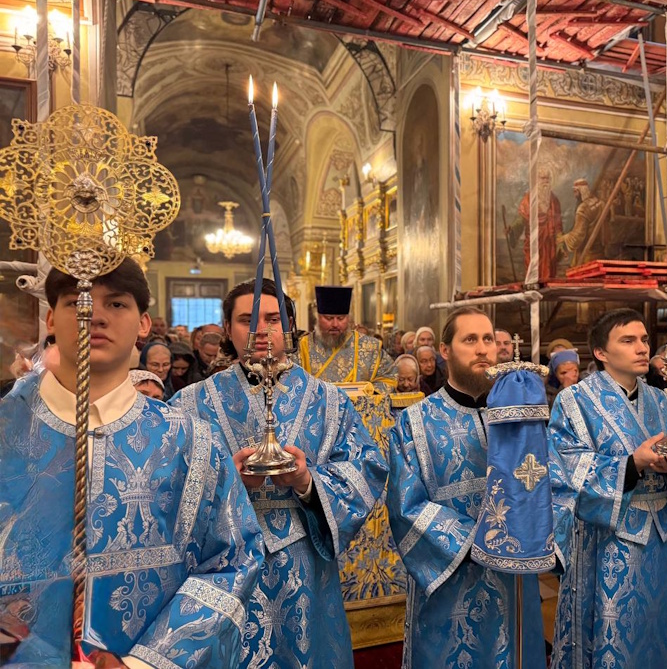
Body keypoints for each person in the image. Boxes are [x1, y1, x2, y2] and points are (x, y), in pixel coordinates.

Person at [0, 258, 263, 666]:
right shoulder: (6, 428)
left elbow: (232, 560)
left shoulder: (191, 442)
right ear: (50, 318)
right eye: (75, 301)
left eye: (116, 303)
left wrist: (144, 662)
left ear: (143, 323)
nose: (94, 315)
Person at [171, 278, 388, 668]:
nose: (260, 330)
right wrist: (229, 483)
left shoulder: (329, 401)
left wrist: (307, 482)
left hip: (306, 567)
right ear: (227, 329)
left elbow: (365, 469)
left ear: (289, 327)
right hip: (223, 570)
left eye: (272, 319)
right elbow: (166, 487)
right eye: (247, 320)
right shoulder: (189, 405)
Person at [548, 308, 667, 668]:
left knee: (659, 634)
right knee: (614, 640)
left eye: (643, 339)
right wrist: (633, 464)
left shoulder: (663, 401)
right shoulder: (575, 401)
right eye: (628, 341)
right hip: (606, 545)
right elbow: (564, 471)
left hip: (661, 543)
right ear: (601, 353)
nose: (642, 348)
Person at [387, 306, 546, 667]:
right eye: (470, 339)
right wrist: (480, 542)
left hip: (515, 578)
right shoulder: (414, 422)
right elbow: (404, 505)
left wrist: (536, 534)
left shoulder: (523, 418)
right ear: (445, 350)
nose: (482, 348)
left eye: (488, 339)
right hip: (451, 584)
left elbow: (551, 485)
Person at [299, 285, 397, 392]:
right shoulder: (303, 347)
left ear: (348, 318)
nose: (335, 324)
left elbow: (390, 378)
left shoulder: (370, 347)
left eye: (341, 318)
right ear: (318, 317)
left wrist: (366, 392)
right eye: (329, 318)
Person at [514, 167, 563, 281]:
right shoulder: (529, 198)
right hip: (534, 242)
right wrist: (513, 229)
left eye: (547, 178)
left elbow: (558, 224)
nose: (545, 181)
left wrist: (560, 243)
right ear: (537, 180)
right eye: (542, 178)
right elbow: (521, 219)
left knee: (549, 269)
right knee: (533, 268)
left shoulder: (554, 200)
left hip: (549, 243)